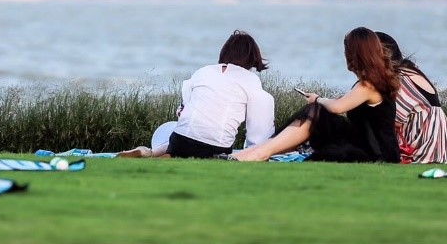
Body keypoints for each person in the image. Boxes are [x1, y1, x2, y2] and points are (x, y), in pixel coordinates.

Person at [233, 27, 400, 163]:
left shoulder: (368, 86)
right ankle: (257, 151)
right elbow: (342, 105)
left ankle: (260, 152)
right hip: (365, 144)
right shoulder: (370, 83)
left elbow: (337, 107)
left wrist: (318, 99)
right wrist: (321, 102)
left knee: (315, 111)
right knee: (317, 113)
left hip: (377, 153)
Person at [119, 30, 275, 158]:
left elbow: (182, 111)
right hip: (216, 147)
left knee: (177, 146)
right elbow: (259, 126)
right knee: (202, 148)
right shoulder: (251, 80)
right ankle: (164, 154)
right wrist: (258, 150)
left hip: (180, 139)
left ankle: (151, 153)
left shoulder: (204, 71)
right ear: (252, 57)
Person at [375, 31, 447, 164]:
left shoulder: (400, 78)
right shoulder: (411, 70)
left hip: (422, 146)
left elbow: (395, 119)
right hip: (435, 146)